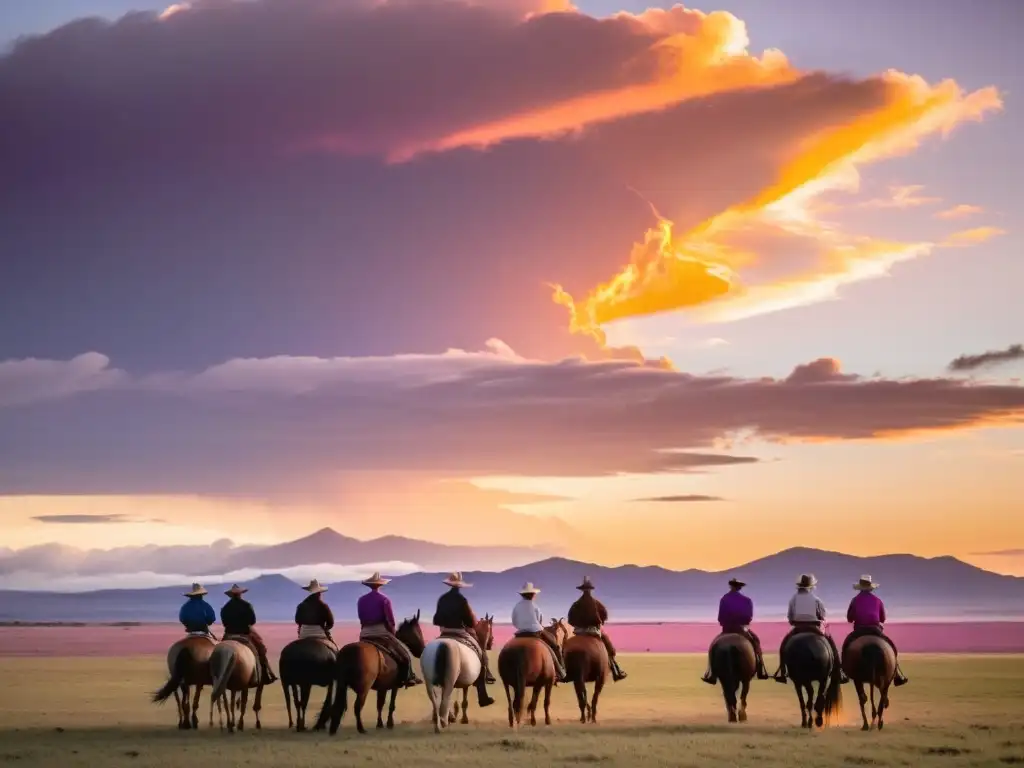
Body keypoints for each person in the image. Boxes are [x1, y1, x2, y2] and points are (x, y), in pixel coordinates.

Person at [432, 571, 495, 708]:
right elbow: (471, 622)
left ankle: (435, 676)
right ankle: (482, 695)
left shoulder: (442, 599)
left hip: (444, 633)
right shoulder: (462, 601)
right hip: (460, 632)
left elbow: (436, 619)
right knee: (481, 654)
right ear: (460, 586)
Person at [773, 573, 847, 684]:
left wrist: (794, 620)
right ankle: (838, 670)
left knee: (784, 645)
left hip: (798, 627)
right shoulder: (816, 599)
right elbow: (822, 616)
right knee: (831, 645)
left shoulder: (793, 599)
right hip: (814, 628)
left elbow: (790, 616)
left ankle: (782, 671)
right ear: (811, 586)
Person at [356, 572, 423, 687]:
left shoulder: (361, 600)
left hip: (365, 633)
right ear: (380, 585)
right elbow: (390, 621)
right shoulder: (385, 600)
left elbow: (361, 618)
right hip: (382, 632)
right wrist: (393, 633)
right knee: (405, 655)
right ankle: (408, 678)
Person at [701, 577, 770, 684]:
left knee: (714, 645)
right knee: (755, 641)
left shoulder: (724, 599)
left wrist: (725, 622)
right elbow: (749, 617)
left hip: (727, 628)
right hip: (741, 629)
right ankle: (761, 668)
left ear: (731, 586)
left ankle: (712, 674)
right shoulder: (746, 600)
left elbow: (720, 617)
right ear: (739, 587)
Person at [843, 575, 908, 686]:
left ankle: (843, 670)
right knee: (891, 647)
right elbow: (883, 619)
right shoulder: (878, 601)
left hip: (859, 630)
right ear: (871, 587)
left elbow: (849, 619)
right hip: (875, 630)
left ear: (860, 587)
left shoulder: (854, 600)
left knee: (846, 645)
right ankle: (897, 673)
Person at [567, 576, 627, 682]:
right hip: (593, 631)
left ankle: (563, 670)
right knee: (610, 650)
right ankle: (616, 670)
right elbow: (605, 615)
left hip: (579, 632)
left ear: (582, 590)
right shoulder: (597, 603)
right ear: (590, 590)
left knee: (566, 647)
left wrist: (578, 625)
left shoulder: (576, 604)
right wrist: (600, 622)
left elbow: (570, 619)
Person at [220, 583, 277, 685]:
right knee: (260, 649)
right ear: (241, 594)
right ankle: (266, 674)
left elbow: (224, 623)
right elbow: (252, 621)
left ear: (231, 595)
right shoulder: (247, 605)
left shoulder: (225, 608)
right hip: (244, 634)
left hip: (228, 635)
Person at [511, 582, 567, 683]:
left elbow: (514, 622)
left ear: (522, 595)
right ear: (533, 595)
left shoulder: (516, 606)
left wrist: (522, 626)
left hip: (520, 634)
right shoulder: (535, 607)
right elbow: (539, 621)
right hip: (535, 632)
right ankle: (561, 672)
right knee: (554, 647)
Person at [294, 578, 336, 643]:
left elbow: (297, 620)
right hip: (320, 634)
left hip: (303, 634)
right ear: (319, 593)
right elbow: (330, 623)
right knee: (335, 649)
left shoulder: (301, 605)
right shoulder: (323, 606)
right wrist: (325, 628)